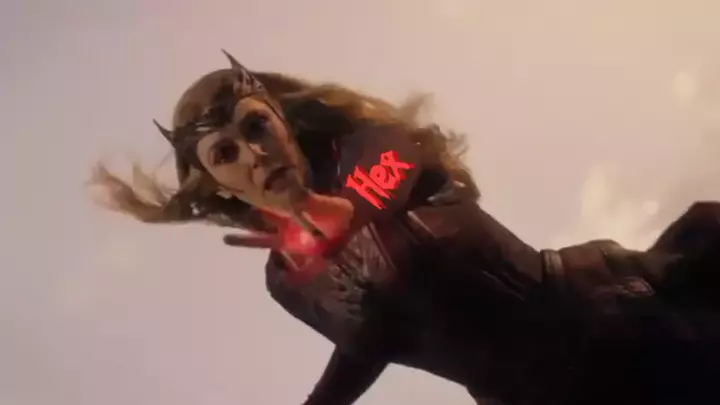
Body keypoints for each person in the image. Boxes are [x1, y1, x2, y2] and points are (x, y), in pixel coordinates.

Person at [92, 51, 720, 405]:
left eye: (256, 126)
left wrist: (350, 211)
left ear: (281, 121)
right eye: (226, 153)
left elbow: (395, 163)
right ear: (220, 185)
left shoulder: (370, 147)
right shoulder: (288, 280)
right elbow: (372, 340)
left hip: (613, 317)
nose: (254, 154)